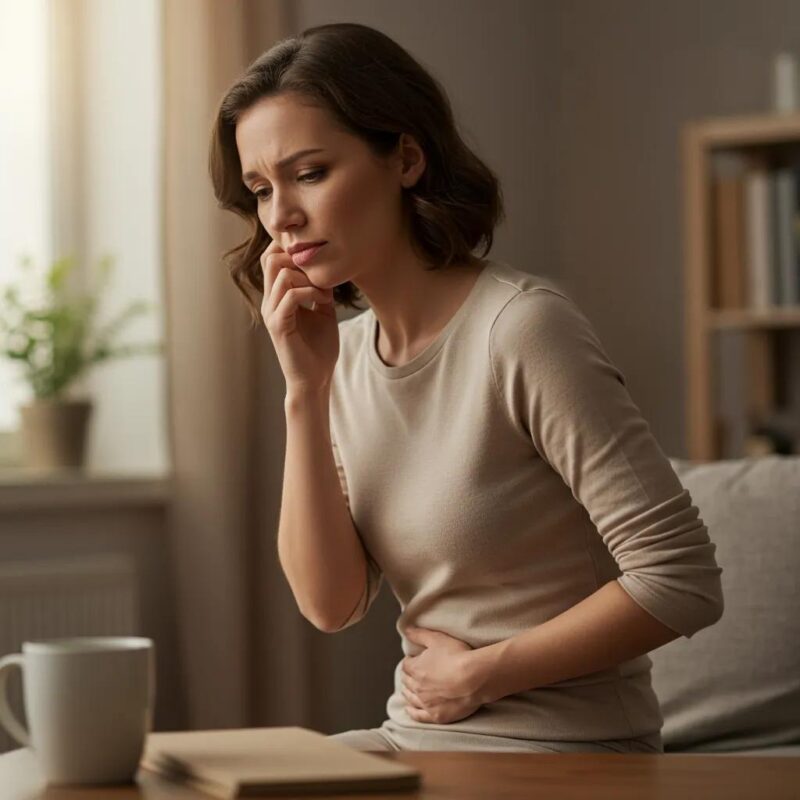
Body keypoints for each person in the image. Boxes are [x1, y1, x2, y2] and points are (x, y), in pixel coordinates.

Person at [209, 22, 724, 754]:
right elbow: (330, 605)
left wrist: (485, 674)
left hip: (565, 755)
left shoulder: (521, 330)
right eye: (261, 189)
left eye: (311, 172)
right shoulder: (342, 359)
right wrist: (304, 389)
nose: (281, 216)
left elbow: (684, 581)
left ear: (407, 159)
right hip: (418, 742)